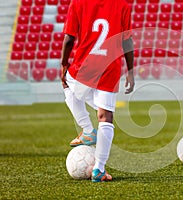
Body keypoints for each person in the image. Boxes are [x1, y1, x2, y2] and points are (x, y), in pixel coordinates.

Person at [61, 0, 134, 182]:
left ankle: (87, 129)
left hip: (85, 65)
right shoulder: (122, 5)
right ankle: (99, 169)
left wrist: (63, 64)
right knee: (105, 117)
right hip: (110, 67)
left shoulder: (77, 3)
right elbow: (127, 41)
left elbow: (69, 38)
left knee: (67, 84)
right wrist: (130, 71)